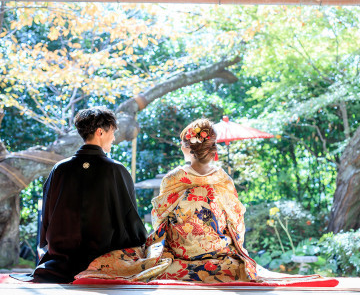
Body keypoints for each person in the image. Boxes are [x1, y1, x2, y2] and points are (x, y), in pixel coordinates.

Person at [74, 118, 321, 284]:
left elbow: (159, 220)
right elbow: (236, 221)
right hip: (219, 255)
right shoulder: (223, 179)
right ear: (211, 148)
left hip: (179, 255)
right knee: (236, 264)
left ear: (186, 148)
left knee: (145, 259)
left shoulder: (173, 178)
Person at [13, 107, 147, 283]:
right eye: (112, 132)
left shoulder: (59, 169)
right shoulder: (117, 170)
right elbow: (130, 221)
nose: (114, 138)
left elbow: (47, 217)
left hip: (60, 262)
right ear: (100, 132)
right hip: (103, 263)